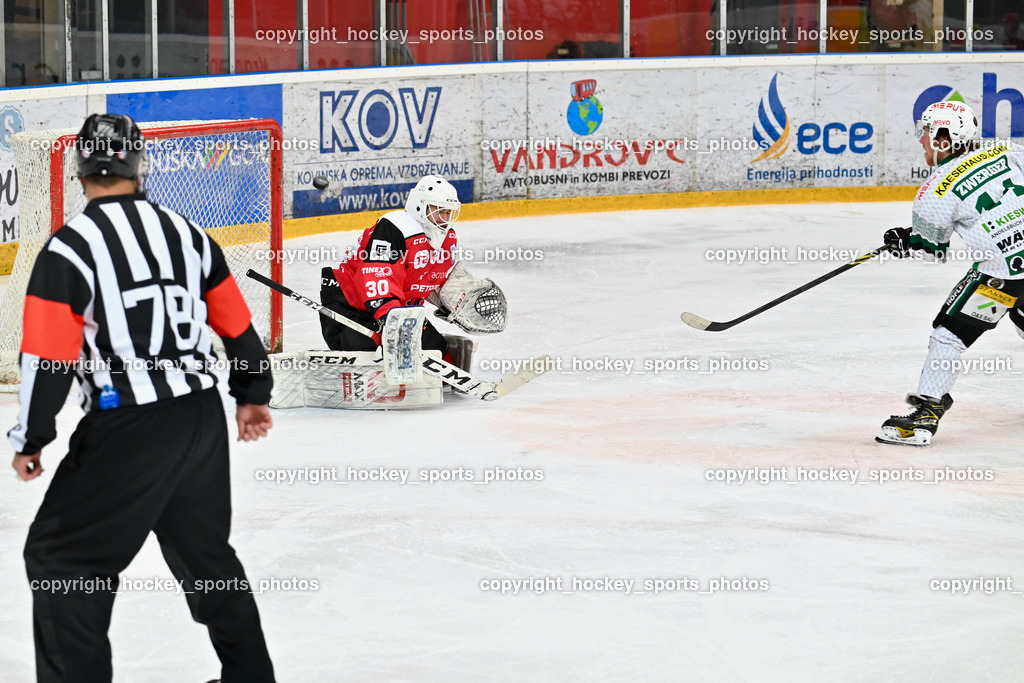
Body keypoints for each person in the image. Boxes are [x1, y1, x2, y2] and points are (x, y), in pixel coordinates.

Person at [9, 113, 276, 682]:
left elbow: (48, 358)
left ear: (80, 168)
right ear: (138, 163)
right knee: (207, 559)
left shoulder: (69, 248)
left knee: (63, 562)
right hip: (201, 420)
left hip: (129, 427)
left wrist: (31, 436)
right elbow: (237, 328)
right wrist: (252, 392)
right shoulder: (188, 234)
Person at [877, 101, 1024, 446]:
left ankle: (925, 415)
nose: (922, 141)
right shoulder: (1006, 151)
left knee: (949, 336)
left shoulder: (935, 190)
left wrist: (907, 241)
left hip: (998, 282)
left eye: (926, 132)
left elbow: (934, 251)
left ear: (944, 136)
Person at [320, 174, 464, 354]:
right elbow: (377, 275)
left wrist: (459, 302)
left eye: (448, 212)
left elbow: (433, 280)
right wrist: (395, 319)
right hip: (351, 306)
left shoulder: (447, 237)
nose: (444, 219)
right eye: (439, 210)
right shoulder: (396, 227)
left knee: (437, 351)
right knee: (373, 361)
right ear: (420, 205)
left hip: (397, 309)